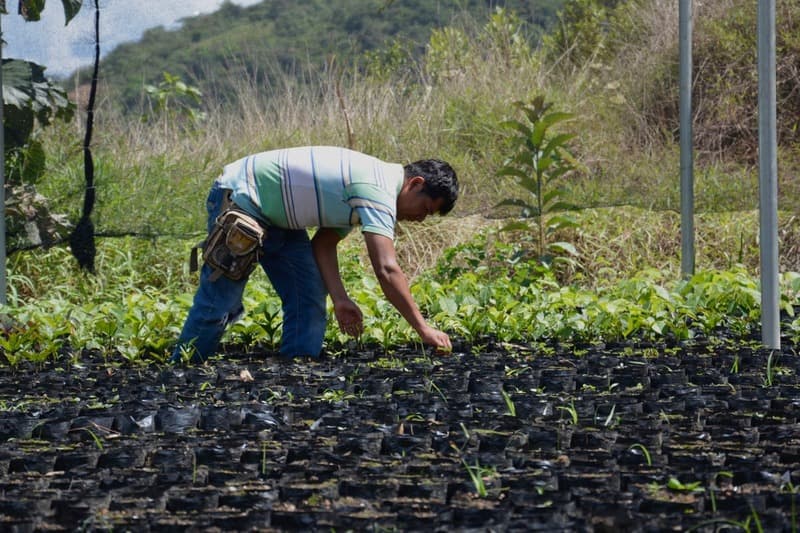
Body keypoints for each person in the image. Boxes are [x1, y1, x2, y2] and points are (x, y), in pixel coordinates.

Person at [171, 145, 459, 363]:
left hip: (281, 218)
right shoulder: (378, 190)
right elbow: (386, 269)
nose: (419, 219)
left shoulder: (371, 189)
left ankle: (296, 378)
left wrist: (340, 299)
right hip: (244, 197)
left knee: (307, 299)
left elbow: (323, 244)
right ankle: (182, 375)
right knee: (221, 299)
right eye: (424, 210)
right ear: (416, 184)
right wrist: (423, 329)